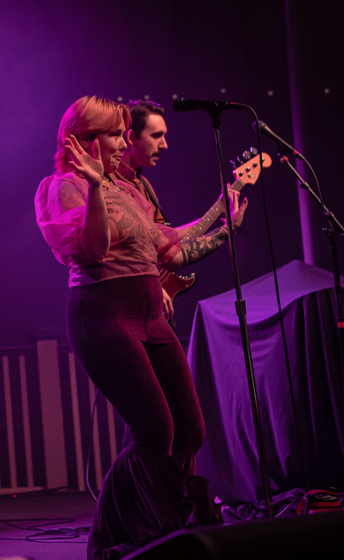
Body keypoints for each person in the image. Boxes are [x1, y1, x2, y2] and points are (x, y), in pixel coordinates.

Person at [34, 96, 245, 558]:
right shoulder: (61, 187)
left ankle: (153, 525)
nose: (121, 141)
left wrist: (225, 222)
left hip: (150, 310)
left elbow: (169, 248)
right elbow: (91, 250)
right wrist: (92, 189)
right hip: (105, 313)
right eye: (113, 133)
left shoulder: (129, 190)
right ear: (85, 140)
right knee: (154, 430)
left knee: (189, 428)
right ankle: (135, 533)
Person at [117, 99, 245, 321]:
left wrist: (216, 213)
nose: (165, 145)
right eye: (157, 136)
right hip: (130, 305)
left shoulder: (144, 185)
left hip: (154, 303)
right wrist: (228, 230)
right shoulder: (115, 186)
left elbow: (166, 240)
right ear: (131, 137)